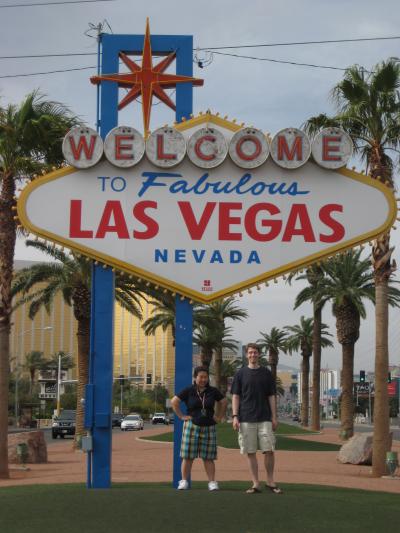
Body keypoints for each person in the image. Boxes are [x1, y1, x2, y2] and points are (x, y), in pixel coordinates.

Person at [231, 343, 282, 494]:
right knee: (250, 451)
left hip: (265, 417)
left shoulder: (266, 373)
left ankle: (270, 481)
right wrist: (235, 416)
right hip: (246, 418)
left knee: (269, 450)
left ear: (259, 354)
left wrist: (274, 417)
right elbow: (235, 396)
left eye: (255, 352)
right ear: (247, 355)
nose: (253, 355)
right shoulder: (240, 374)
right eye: (250, 352)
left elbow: (271, 396)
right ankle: (255, 483)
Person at [171, 366, 227, 491]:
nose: (203, 379)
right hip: (192, 426)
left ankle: (212, 483)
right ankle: (184, 481)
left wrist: (219, 417)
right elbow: (174, 401)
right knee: (187, 456)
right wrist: (181, 416)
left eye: (205, 377)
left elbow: (224, 402)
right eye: (201, 377)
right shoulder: (189, 390)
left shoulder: (213, 391)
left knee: (208, 457)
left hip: (209, 427)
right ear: (195, 377)